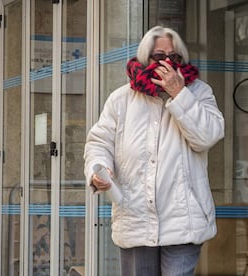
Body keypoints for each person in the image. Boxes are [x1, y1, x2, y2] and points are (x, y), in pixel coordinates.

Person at [83, 26, 225, 276]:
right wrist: (99, 169)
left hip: (184, 221)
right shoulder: (121, 99)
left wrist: (179, 94)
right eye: (159, 56)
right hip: (135, 217)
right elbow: (99, 142)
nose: (167, 63)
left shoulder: (199, 92)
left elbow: (208, 136)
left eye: (174, 57)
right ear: (144, 58)